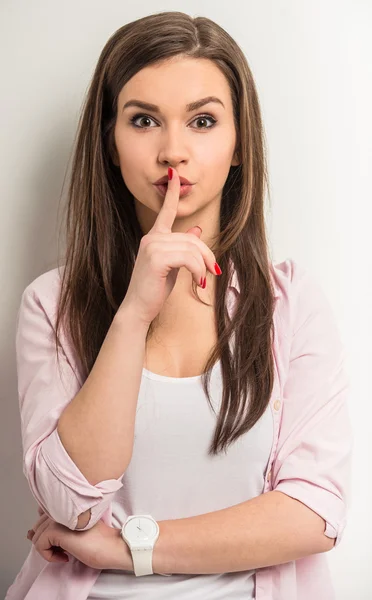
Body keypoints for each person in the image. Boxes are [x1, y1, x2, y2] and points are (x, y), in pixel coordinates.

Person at [6, 10, 353, 600]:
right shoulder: (52, 304)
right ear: (110, 145)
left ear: (239, 142)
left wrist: (130, 548)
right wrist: (134, 314)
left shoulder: (290, 305)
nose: (174, 151)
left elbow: (314, 513)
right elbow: (70, 502)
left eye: (202, 120)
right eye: (143, 120)